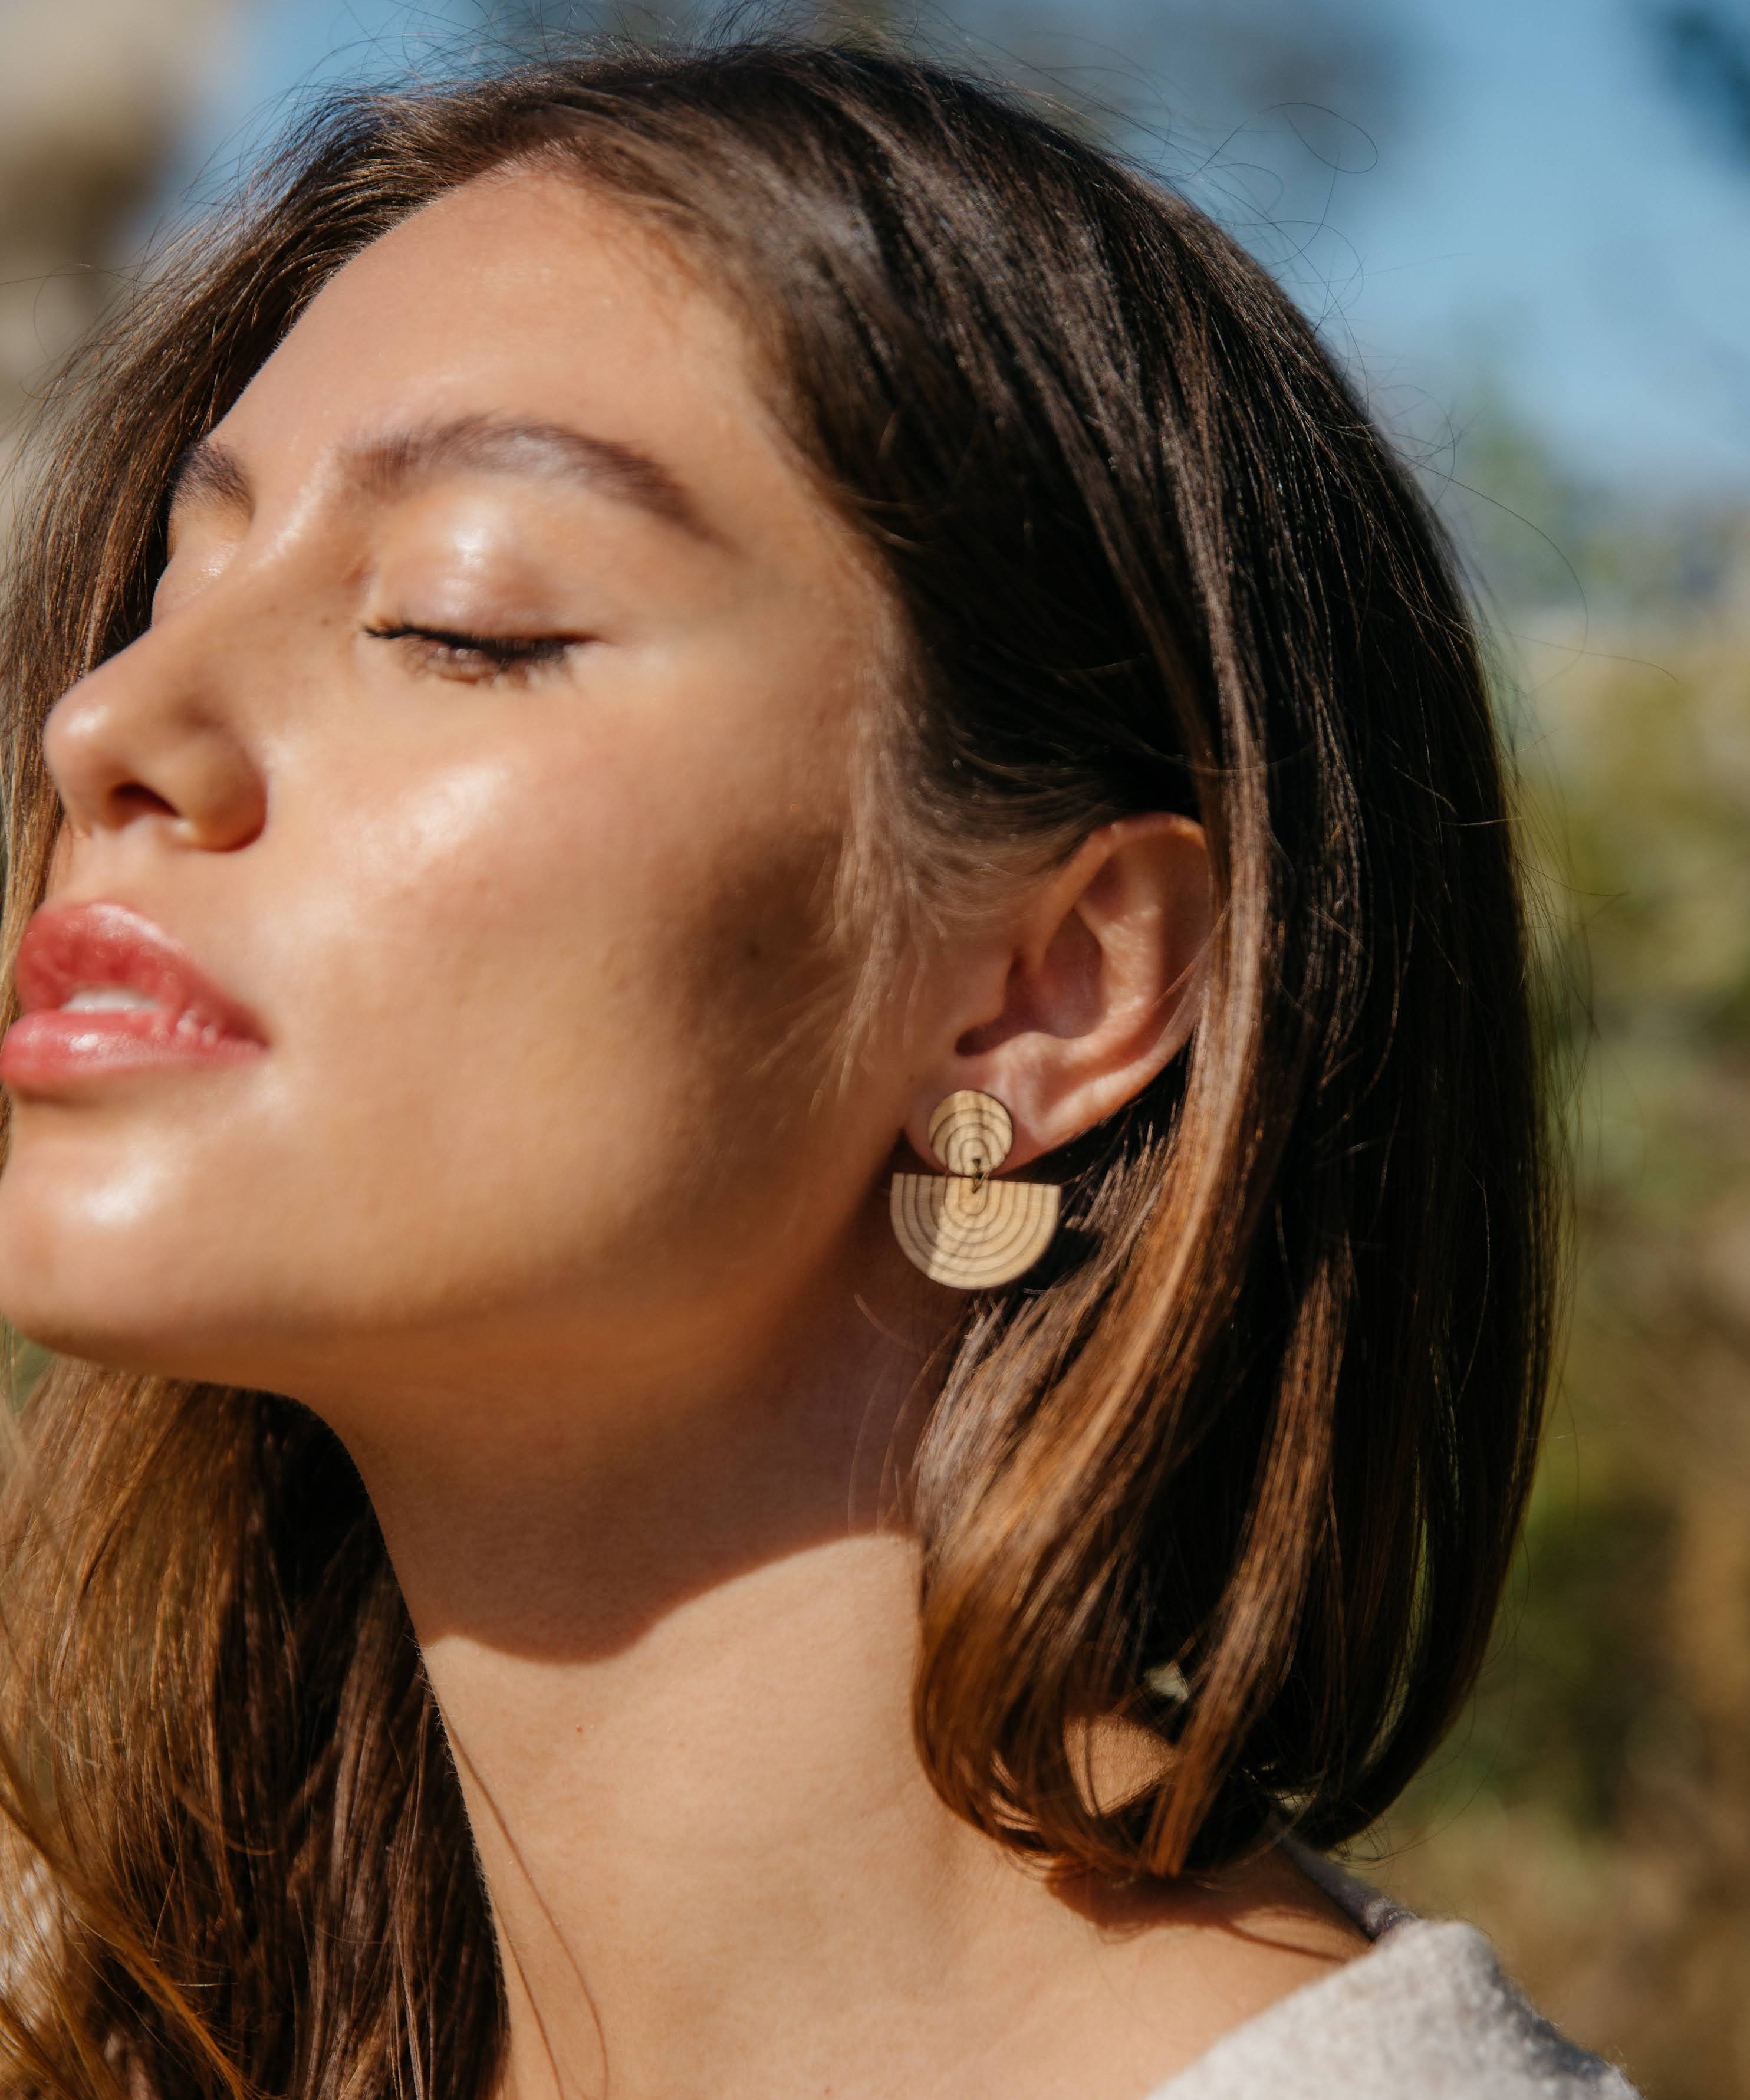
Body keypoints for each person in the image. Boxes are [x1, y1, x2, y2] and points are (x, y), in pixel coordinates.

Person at [0, 38, 1639, 2100]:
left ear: (1048, 986)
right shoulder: (113, 2025)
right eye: (166, 585)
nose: (107, 724)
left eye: (459, 618)